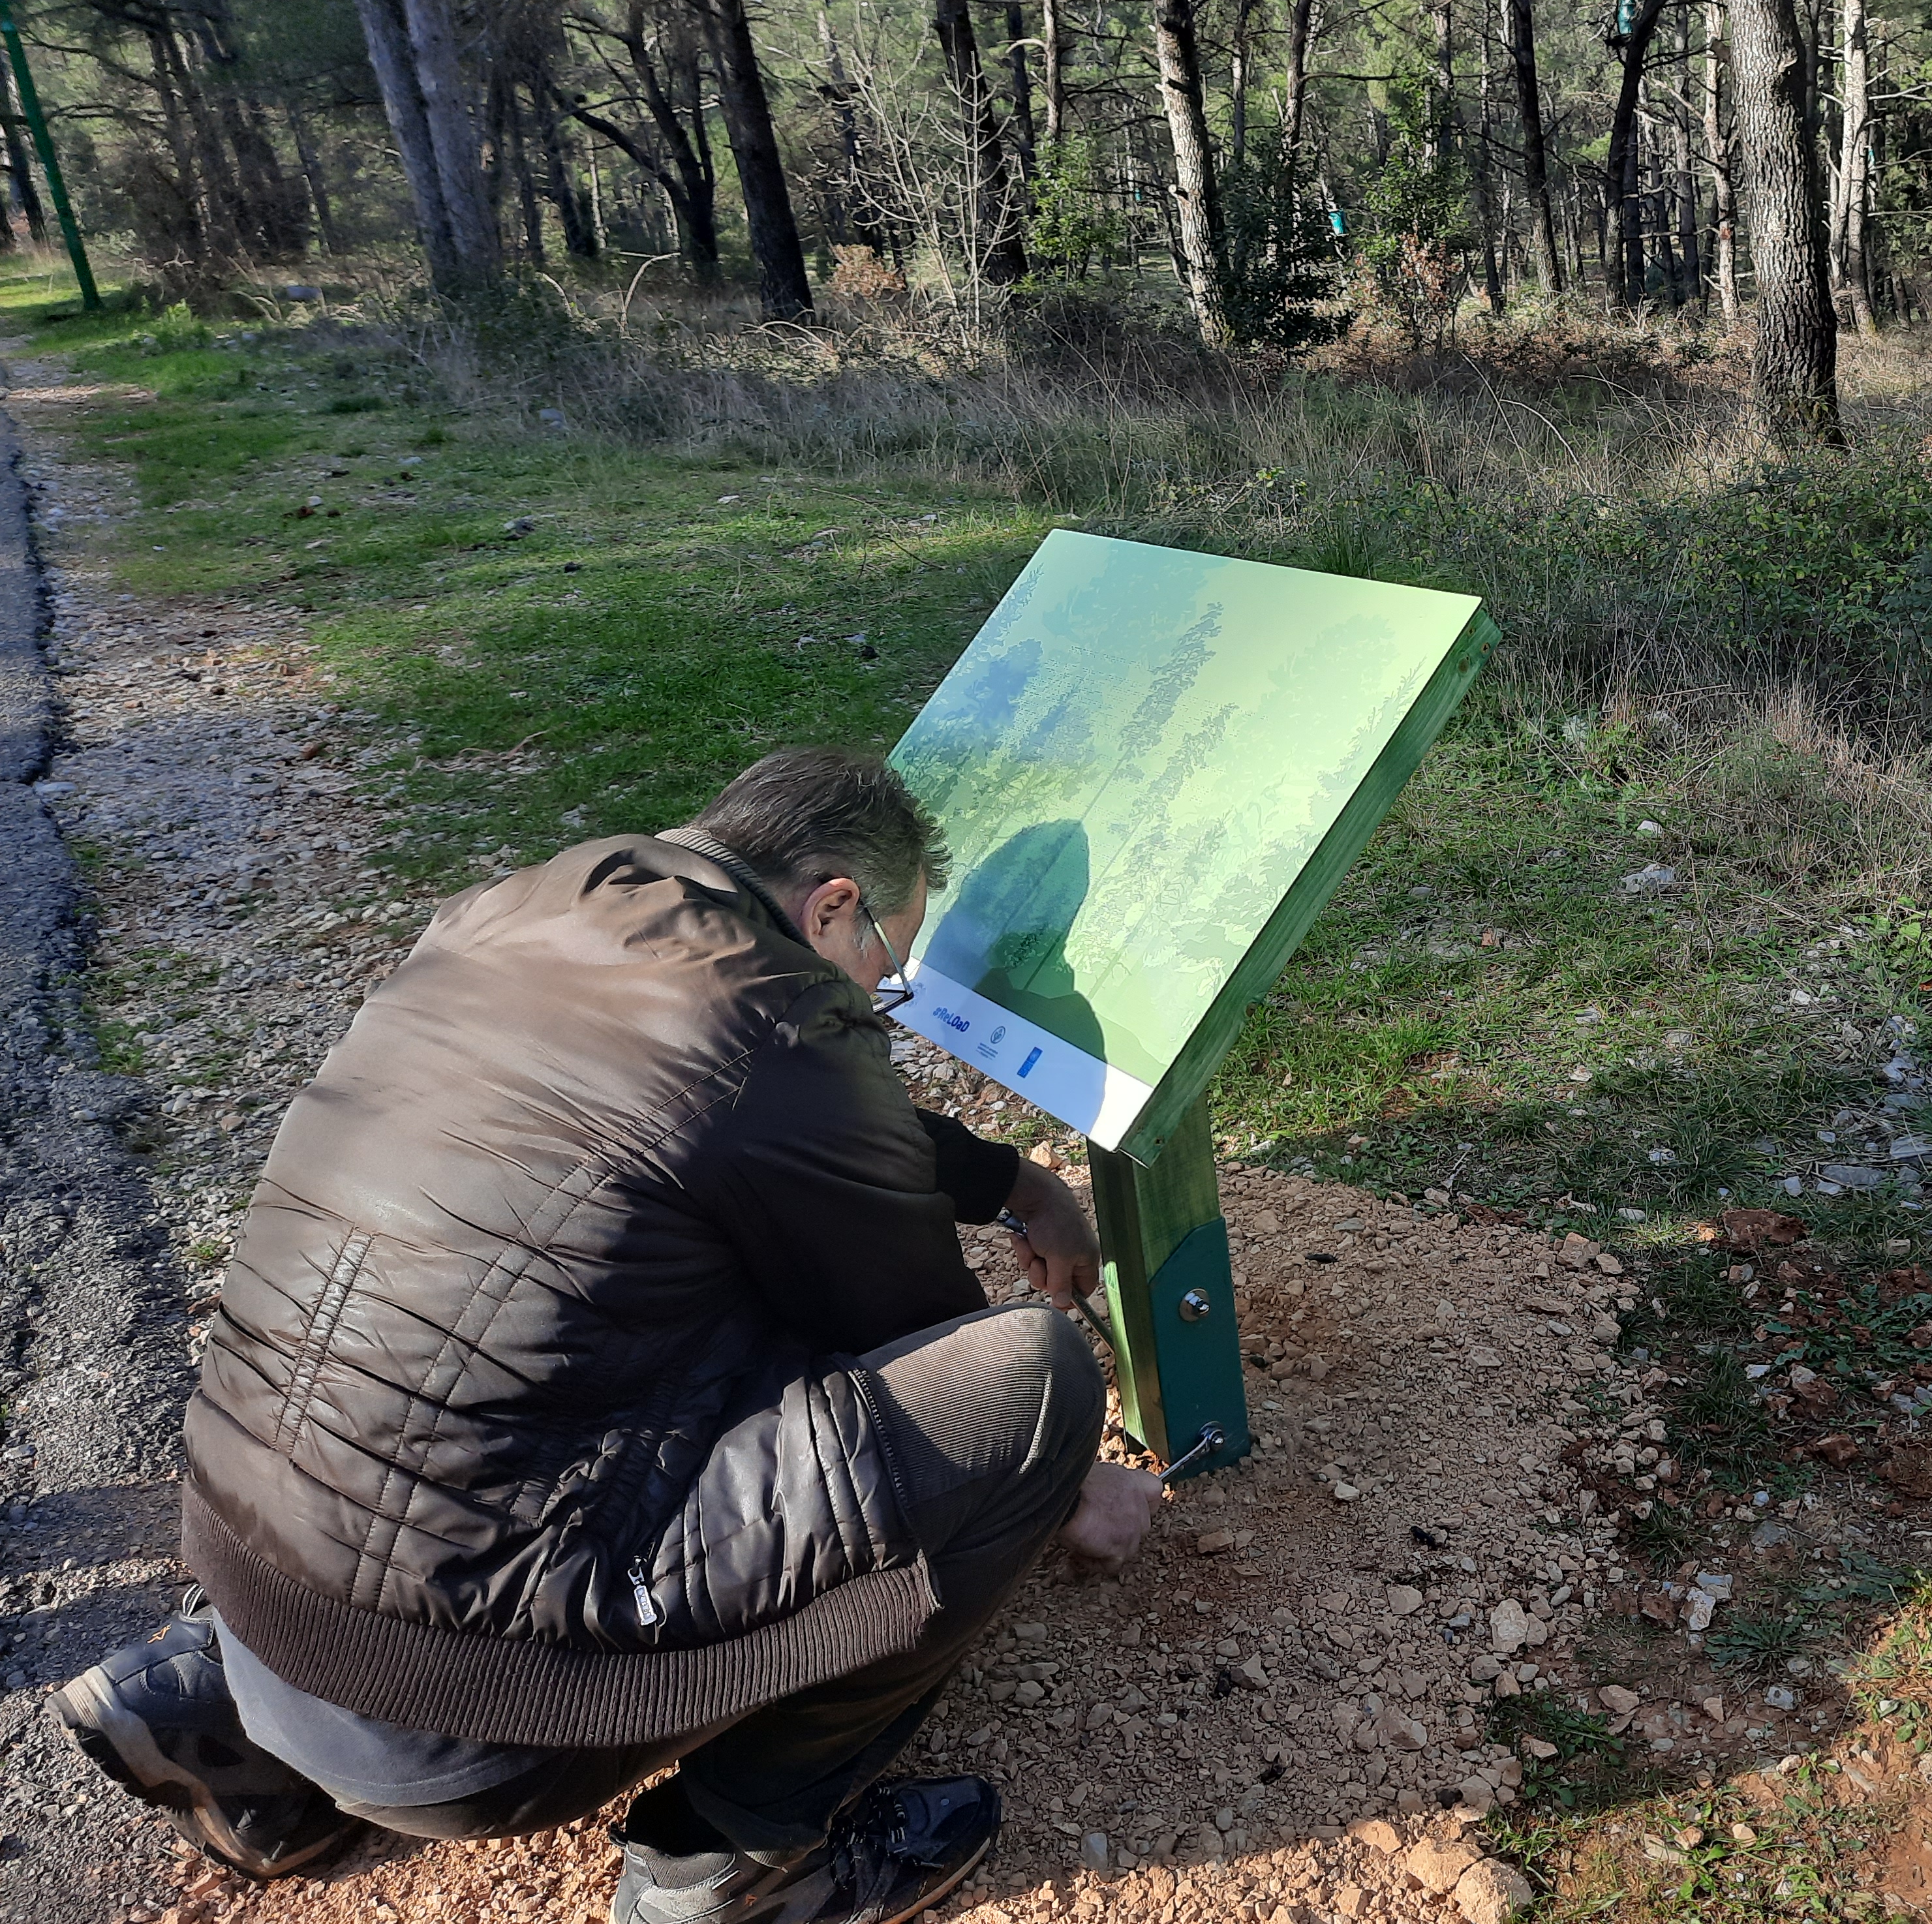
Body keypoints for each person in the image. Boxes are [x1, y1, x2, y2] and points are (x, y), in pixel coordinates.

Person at [50, 747, 1163, 1924]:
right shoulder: (767, 1011)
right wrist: (1054, 1484)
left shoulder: (515, 912)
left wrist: (1006, 1182)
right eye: (886, 961)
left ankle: (206, 1701)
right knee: (1030, 1382)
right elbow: (913, 1331)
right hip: (473, 1724)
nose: (879, 995)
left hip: (261, 1585)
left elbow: (749, 1111)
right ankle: (726, 1861)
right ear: (831, 901)